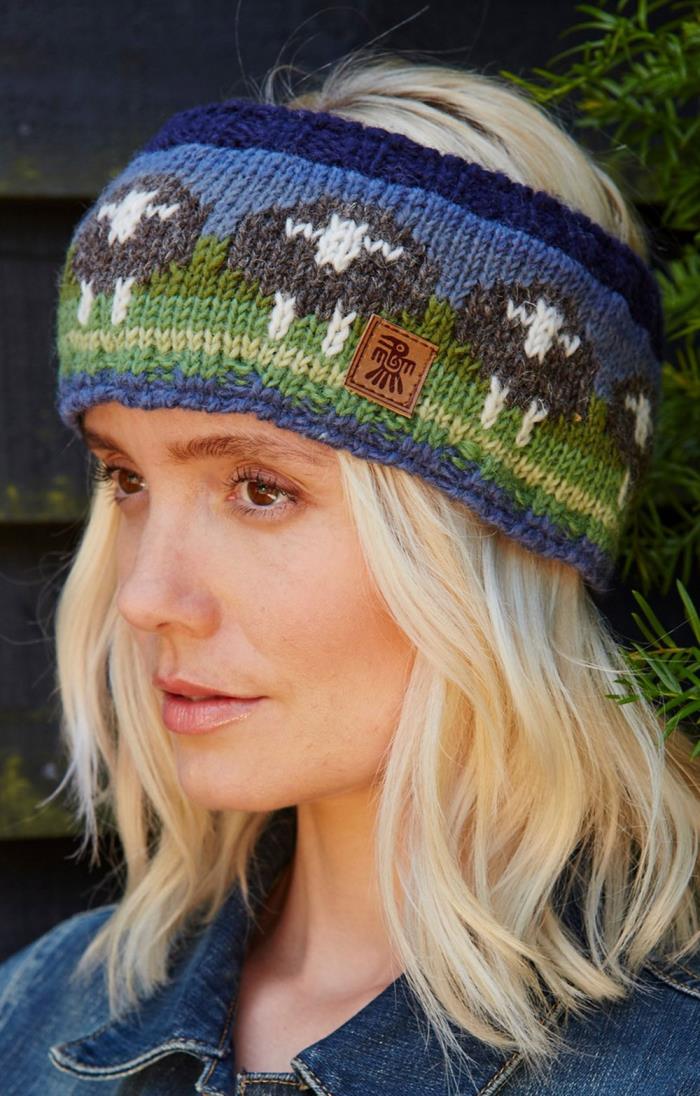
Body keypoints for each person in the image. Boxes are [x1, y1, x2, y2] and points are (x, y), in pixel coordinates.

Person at [1, 47, 698, 1096]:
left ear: (494, 538)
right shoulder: (39, 1018)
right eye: (126, 478)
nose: (145, 596)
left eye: (259, 489)